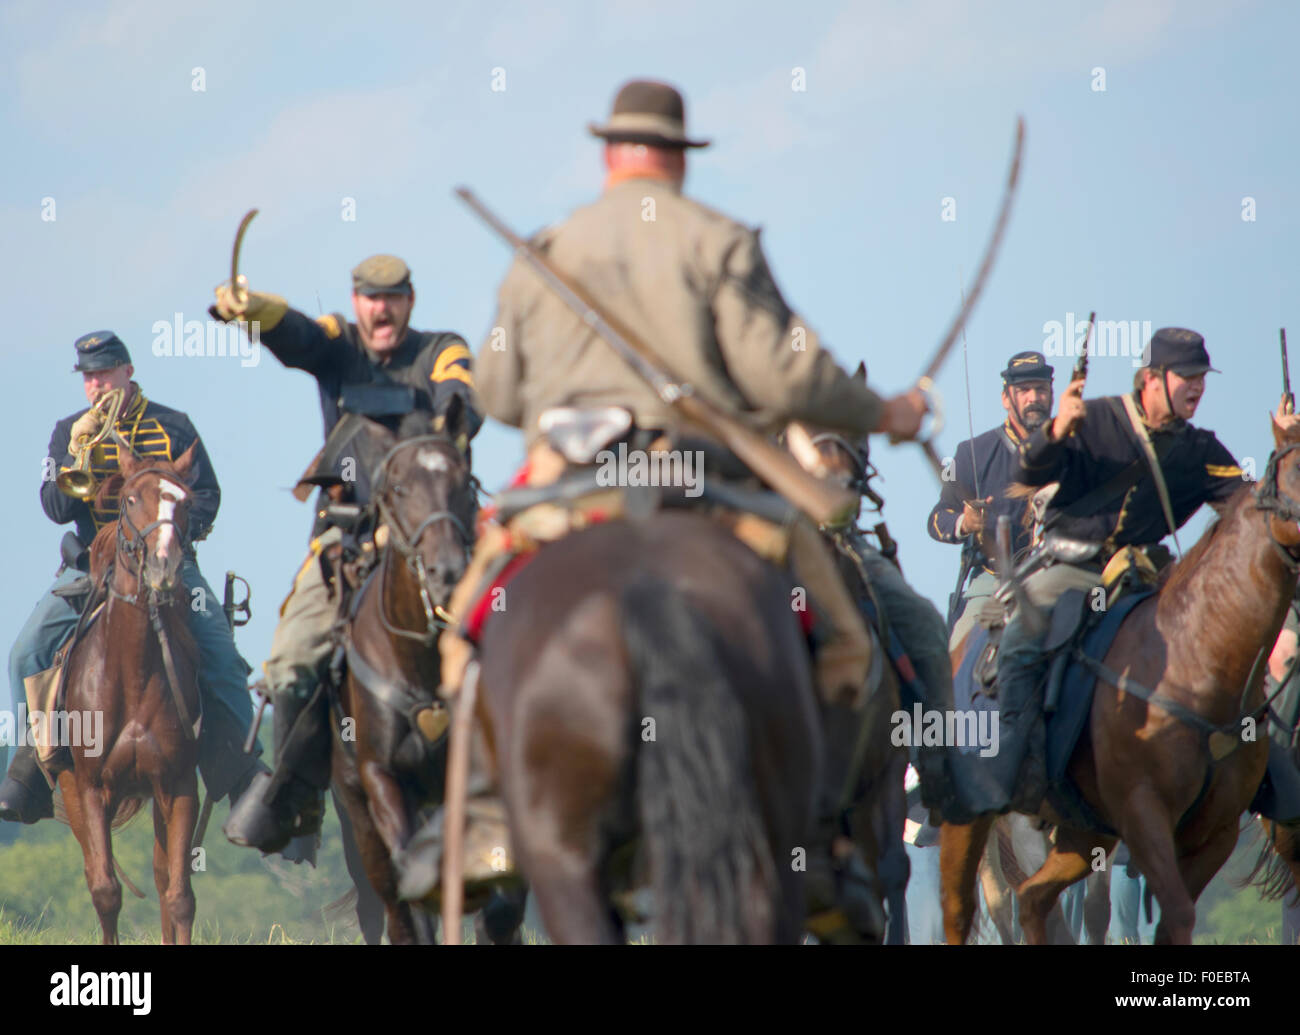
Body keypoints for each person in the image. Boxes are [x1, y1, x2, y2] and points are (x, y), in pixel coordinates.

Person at [399, 78, 959, 908]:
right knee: (846, 642)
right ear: (680, 158)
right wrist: (889, 412)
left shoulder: (545, 251)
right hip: (703, 480)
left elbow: (504, 393)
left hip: (570, 486)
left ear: (609, 154)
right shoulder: (721, 240)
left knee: (466, 636)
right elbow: (785, 372)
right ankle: (821, 842)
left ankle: (483, 817)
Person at [212, 255, 481, 853]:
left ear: (410, 301)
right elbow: (302, 336)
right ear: (356, 302)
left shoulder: (442, 349)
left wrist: (446, 420)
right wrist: (254, 310)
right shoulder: (339, 345)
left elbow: (464, 397)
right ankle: (296, 795)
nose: (381, 308)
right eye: (370, 297)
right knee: (291, 660)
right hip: (351, 536)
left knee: (522, 627)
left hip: (438, 535)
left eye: (392, 297)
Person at [0, 332, 263, 822]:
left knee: (221, 653)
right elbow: (54, 509)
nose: (96, 385)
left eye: (103, 373)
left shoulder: (173, 425)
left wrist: (174, 536)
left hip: (167, 562)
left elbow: (207, 495)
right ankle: (33, 768)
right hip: (90, 566)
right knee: (25, 653)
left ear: (128, 371)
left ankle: (245, 774)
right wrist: (77, 456)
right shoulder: (68, 432)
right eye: (88, 377)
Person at [987, 327, 1246, 814]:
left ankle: (1259, 778)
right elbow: (1029, 476)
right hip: (1074, 568)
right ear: (1152, 378)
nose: (1198, 387)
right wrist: (1056, 431)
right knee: (1024, 636)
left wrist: (1287, 455)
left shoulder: (1199, 450)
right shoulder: (1097, 418)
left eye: (1201, 378)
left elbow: (1254, 508)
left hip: (1145, 581)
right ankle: (1013, 768)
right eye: (1187, 376)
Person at [929, 351, 1054, 649]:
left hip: (1060, 577)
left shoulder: (1073, 447)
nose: (1033, 397)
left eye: (1041, 389)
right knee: (958, 655)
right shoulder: (970, 453)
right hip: (994, 583)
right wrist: (966, 522)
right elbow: (937, 519)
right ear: (1006, 398)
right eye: (1024, 390)